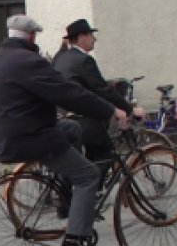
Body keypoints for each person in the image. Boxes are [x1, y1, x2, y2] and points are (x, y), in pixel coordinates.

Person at [0, 15, 127, 246]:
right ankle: (72, 244)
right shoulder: (27, 61)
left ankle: (65, 198)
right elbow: (69, 92)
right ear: (31, 36)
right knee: (89, 174)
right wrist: (110, 110)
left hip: (12, 130)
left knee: (71, 128)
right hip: (32, 135)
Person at [52, 19, 142, 187]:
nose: (94, 39)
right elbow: (102, 89)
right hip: (81, 119)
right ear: (81, 37)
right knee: (105, 152)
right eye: (91, 35)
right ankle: (91, 194)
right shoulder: (84, 60)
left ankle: (69, 200)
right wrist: (129, 110)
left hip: (61, 116)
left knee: (80, 160)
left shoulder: (62, 58)